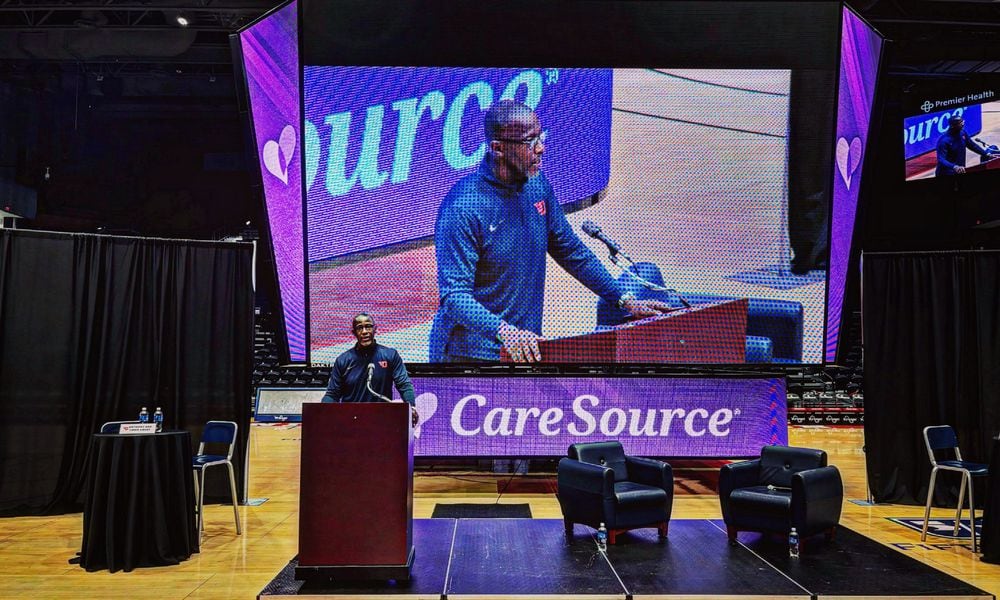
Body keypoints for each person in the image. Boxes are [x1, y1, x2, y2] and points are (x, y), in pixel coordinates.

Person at [430, 99, 671, 362]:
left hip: (523, 349)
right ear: (498, 148)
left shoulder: (537, 185)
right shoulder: (463, 208)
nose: (541, 149)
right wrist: (505, 332)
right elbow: (454, 297)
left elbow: (571, 251)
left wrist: (623, 299)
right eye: (529, 142)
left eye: (540, 137)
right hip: (470, 357)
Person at [323, 313, 419, 426]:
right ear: (354, 333)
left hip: (381, 419)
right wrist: (322, 412)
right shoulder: (342, 360)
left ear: (375, 329)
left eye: (368, 326)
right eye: (359, 328)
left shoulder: (390, 355)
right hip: (350, 421)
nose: (364, 331)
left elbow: (404, 384)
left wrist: (411, 406)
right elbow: (332, 394)